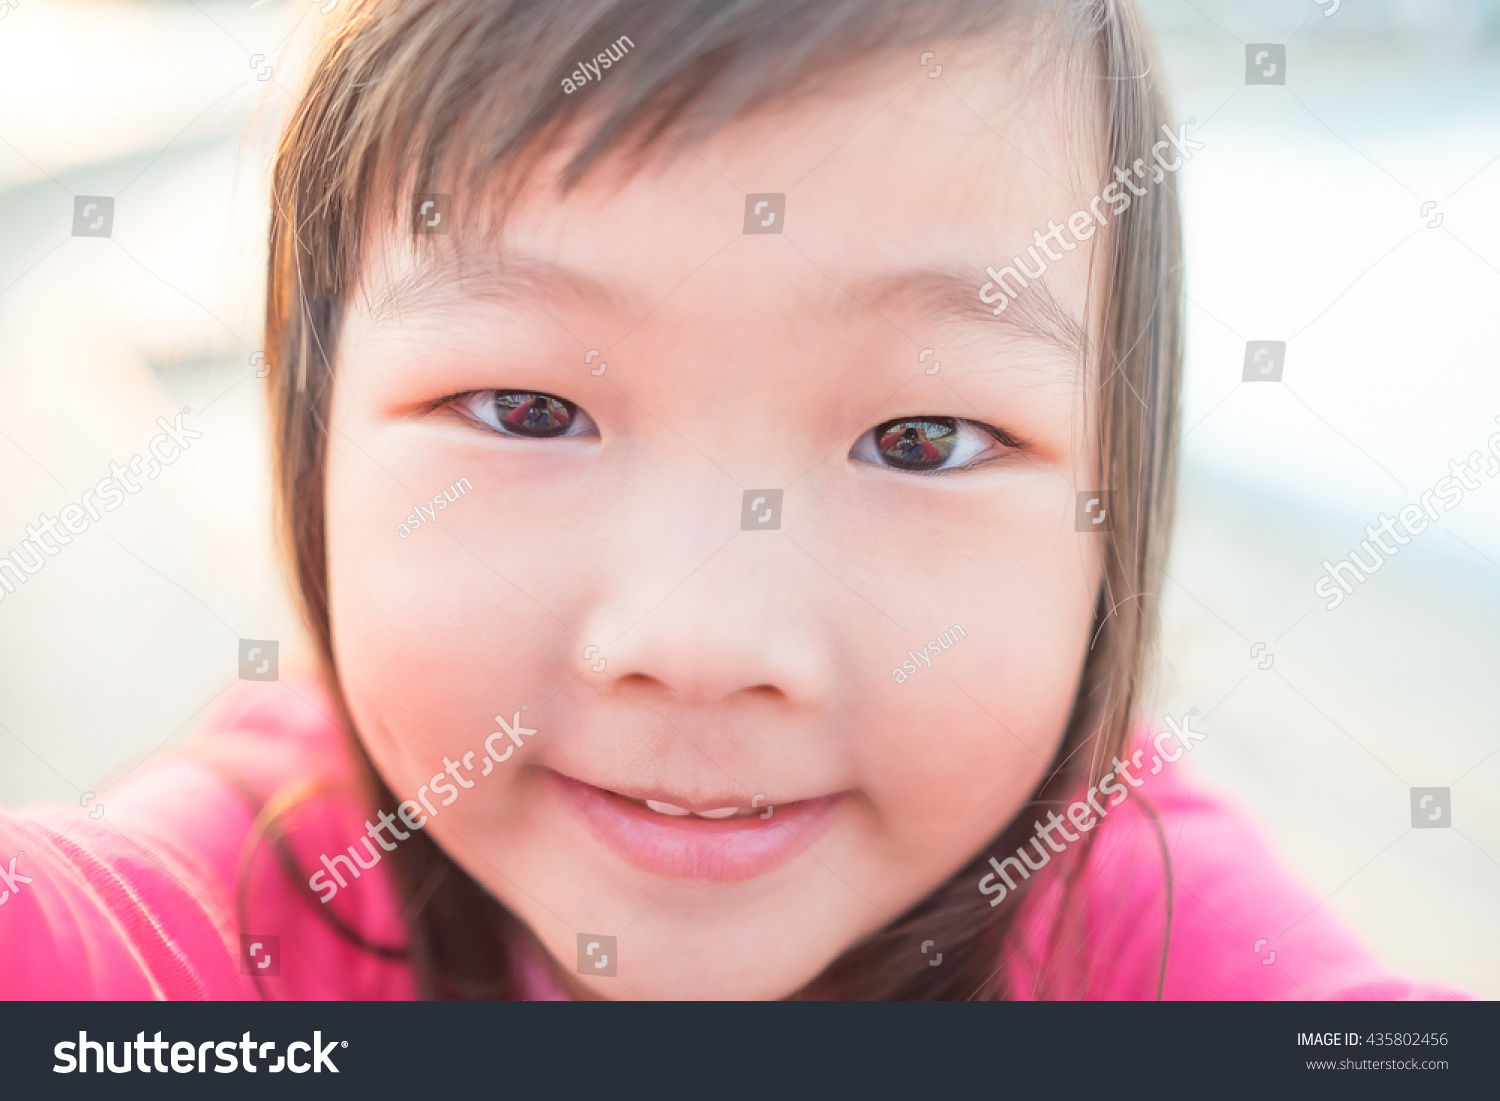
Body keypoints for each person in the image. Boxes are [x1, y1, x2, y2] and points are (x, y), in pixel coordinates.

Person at [0, 0, 1467, 1001]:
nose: (703, 636)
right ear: (312, 440)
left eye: (921, 437)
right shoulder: (233, 902)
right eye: (529, 411)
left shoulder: (1115, 923)